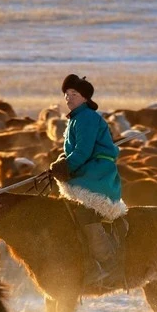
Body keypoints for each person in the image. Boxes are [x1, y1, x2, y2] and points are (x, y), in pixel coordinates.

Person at [48, 73, 127, 287]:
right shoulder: (77, 118)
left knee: (84, 212)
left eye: (73, 93)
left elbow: (83, 151)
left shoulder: (87, 118)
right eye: (66, 94)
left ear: (84, 97)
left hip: (97, 173)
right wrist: (62, 161)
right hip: (86, 170)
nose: (68, 98)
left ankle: (108, 264)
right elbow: (74, 151)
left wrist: (67, 167)